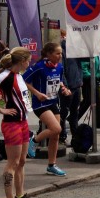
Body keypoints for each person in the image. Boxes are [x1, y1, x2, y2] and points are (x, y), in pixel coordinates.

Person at [0, 48, 39, 198]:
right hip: (11, 123)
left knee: (22, 161)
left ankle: (20, 196)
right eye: (28, 61)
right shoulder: (4, 76)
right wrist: (2, 110)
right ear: (21, 61)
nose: (29, 63)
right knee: (12, 163)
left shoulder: (18, 76)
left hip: (23, 122)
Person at [24, 42, 71, 176]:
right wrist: (37, 93)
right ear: (48, 54)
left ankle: (52, 165)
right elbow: (24, 80)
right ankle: (33, 140)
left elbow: (59, 81)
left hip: (52, 102)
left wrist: (64, 89)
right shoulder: (38, 67)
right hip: (40, 104)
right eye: (57, 53)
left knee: (55, 136)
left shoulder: (60, 67)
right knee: (57, 129)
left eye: (61, 53)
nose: (60, 56)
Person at [78, 38, 100, 129]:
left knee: (97, 101)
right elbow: (84, 68)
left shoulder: (97, 54)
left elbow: (96, 68)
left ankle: (98, 122)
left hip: (94, 79)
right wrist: (93, 77)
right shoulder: (88, 54)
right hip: (88, 81)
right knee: (88, 100)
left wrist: (99, 77)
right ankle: (73, 118)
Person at [59, 30, 82, 144]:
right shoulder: (62, 50)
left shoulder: (75, 50)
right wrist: (65, 86)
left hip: (77, 85)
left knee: (75, 113)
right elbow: (61, 70)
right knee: (63, 112)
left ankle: (75, 137)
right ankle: (61, 136)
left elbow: (82, 63)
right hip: (68, 87)